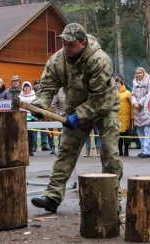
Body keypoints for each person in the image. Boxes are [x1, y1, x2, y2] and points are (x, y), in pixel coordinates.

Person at [30, 23, 123, 213]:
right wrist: (40, 105)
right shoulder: (58, 60)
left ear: (83, 43)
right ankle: (52, 196)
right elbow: (47, 86)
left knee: (110, 154)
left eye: (71, 45)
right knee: (65, 151)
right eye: (64, 44)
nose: (66, 48)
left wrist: (78, 115)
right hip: (74, 110)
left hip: (105, 108)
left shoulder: (99, 60)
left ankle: (112, 199)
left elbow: (100, 98)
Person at [131, 67, 150, 158]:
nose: (139, 74)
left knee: (148, 131)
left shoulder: (149, 82)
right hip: (137, 110)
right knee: (140, 131)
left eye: (140, 73)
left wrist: (140, 103)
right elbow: (132, 95)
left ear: (143, 73)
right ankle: (144, 149)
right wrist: (134, 102)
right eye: (137, 73)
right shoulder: (134, 83)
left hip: (146, 109)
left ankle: (148, 151)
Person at [115, 77, 133, 157]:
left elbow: (131, 105)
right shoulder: (113, 93)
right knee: (118, 135)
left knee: (126, 134)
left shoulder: (128, 93)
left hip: (126, 117)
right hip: (117, 117)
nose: (117, 85)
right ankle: (120, 151)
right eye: (115, 84)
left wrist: (132, 116)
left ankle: (126, 150)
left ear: (122, 84)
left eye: (118, 84)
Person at [19, 81, 36, 156]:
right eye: (25, 87)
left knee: (31, 134)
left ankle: (30, 149)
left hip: (31, 117)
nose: (26, 88)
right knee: (22, 134)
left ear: (30, 87)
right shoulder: (19, 97)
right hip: (22, 117)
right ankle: (23, 149)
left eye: (27, 87)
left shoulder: (35, 97)